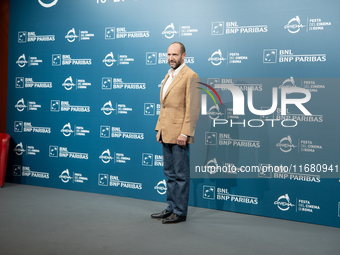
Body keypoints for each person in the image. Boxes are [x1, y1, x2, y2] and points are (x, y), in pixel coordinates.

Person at [151, 42, 200, 224]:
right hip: (166, 132)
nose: (171, 58)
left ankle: (180, 212)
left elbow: (193, 108)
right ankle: (171, 207)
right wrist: (159, 129)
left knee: (181, 175)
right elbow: (165, 106)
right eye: (169, 54)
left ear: (184, 56)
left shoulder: (190, 76)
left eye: (175, 55)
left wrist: (185, 133)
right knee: (170, 174)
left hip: (180, 135)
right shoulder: (169, 75)